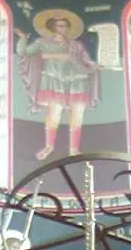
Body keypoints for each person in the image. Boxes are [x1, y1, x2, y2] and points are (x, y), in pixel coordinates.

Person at [16, 13, 99, 160]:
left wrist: (94, 66)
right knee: (53, 114)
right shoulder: (42, 42)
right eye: (60, 25)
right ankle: (49, 147)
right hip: (54, 81)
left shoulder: (76, 45)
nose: (64, 28)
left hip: (76, 81)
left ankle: (74, 149)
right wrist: (23, 38)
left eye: (66, 26)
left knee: (77, 114)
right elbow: (24, 53)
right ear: (53, 27)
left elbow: (85, 60)